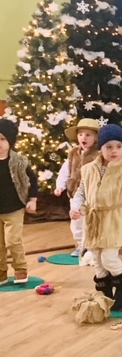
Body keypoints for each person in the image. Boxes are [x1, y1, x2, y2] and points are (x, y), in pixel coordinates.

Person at [70, 124, 122, 310]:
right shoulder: (89, 169)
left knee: (109, 257)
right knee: (97, 260)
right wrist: (76, 207)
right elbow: (81, 192)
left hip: (115, 219)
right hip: (94, 221)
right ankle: (104, 293)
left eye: (119, 146)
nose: (114, 151)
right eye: (109, 147)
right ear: (101, 148)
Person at [54, 118, 100, 257]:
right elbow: (65, 171)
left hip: (91, 195)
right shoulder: (73, 153)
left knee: (90, 222)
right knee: (76, 222)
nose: (83, 138)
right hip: (74, 194)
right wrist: (60, 186)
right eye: (80, 134)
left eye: (88, 135)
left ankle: (91, 246)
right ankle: (80, 245)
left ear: (96, 137)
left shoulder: (99, 154)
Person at [0, 119, 37, 285]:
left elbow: (32, 180)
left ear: (10, 141)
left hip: (14, 208)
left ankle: (20, 268)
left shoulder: (19, 161)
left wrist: (32, 199)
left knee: (13, 241)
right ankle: (1, 272)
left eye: (2, 139)